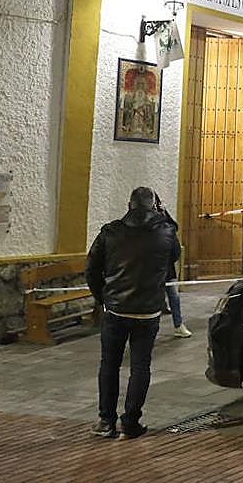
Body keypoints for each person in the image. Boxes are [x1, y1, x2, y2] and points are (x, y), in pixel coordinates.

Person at [85, 186, 180, 440]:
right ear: (154, 207)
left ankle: (106, 421)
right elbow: (175, 255)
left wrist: (103, 298)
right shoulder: (166, 231)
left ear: (129, 205)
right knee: (140, 367)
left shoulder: (110, 232)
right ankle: (131, 422)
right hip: (148, 312)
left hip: (116, 310)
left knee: (109, 364)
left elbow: (91, 269)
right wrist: (164, 214)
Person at [153, 194, 192, 338]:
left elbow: (174, 227)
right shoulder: (150, 223)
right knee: (155, 299)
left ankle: (178, 325)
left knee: (174, 296)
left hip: (168, 268)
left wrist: (165, 212)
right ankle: (152, 329)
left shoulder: (165, 220)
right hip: (155, 269)